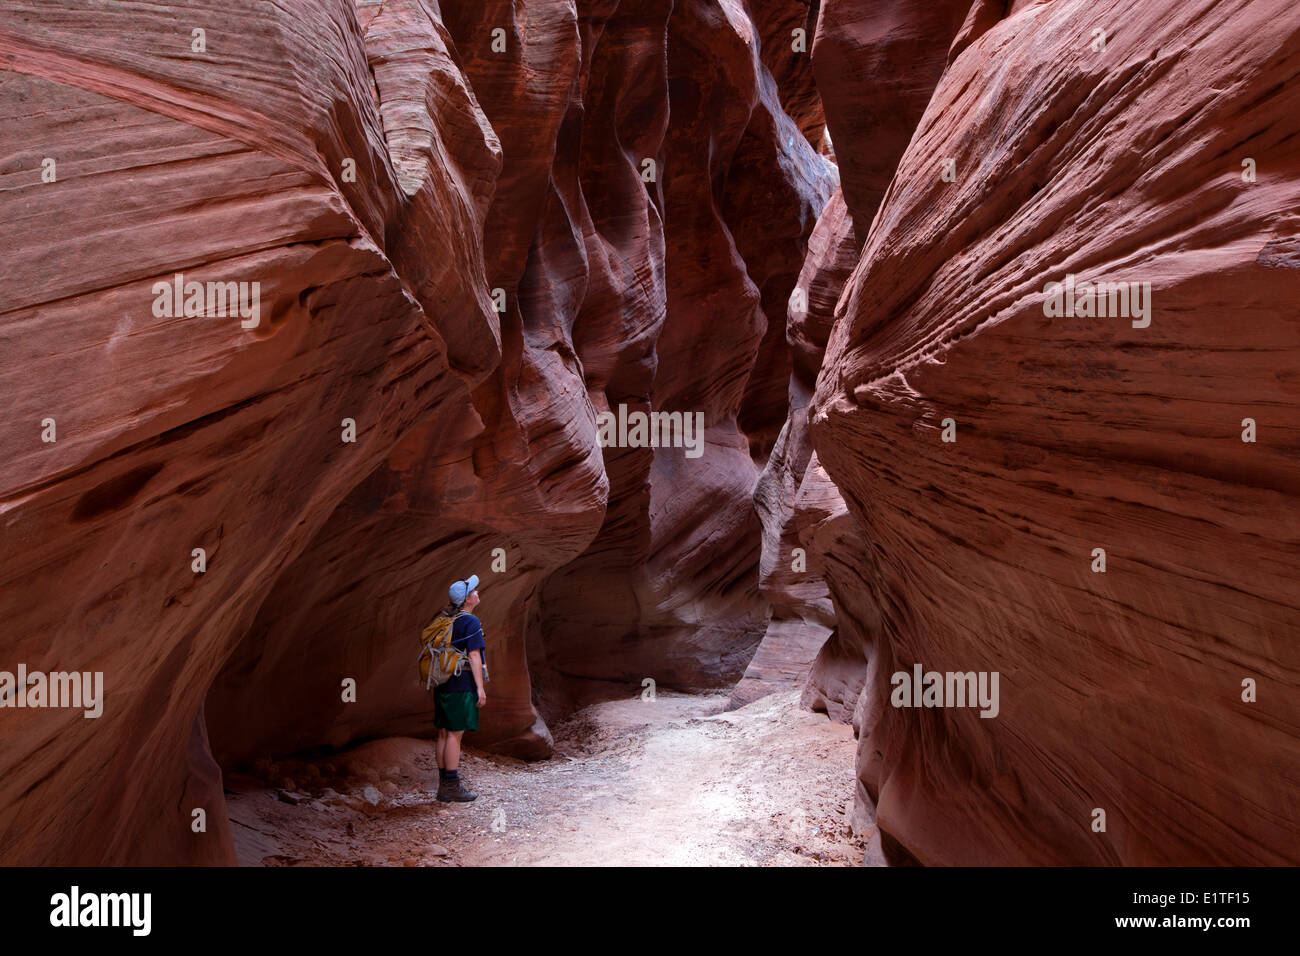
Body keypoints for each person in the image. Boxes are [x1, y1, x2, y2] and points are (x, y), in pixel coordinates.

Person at [435, 574, 487, 803]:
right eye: (474, 591)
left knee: (444, 732)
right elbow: (474, 655)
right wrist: (480, 688)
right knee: (455, 734)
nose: (477, 592)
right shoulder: (470, 622)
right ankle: (452, 786)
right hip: (461, 682)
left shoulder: (447, 619)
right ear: (467, 599)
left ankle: (443, 784)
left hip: (442, 681)